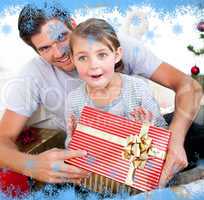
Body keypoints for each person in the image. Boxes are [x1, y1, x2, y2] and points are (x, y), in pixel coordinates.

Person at [0, 3, 202, 187]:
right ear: (36, 51)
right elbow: (3, 139)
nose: (60, 52)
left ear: (73, 24)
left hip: (141, 142)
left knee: (194, 131)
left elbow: (188, 85)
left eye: (61, 37)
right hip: (96, 157)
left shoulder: (108, 43)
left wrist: (174, 141)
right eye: (44, 48)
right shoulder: (33, 77)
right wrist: (31, 164)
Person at [64, 18, 167, 148]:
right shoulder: (74, 100)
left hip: (137, 163)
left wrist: (147, 128)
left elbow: (163, 133)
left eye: (102, 55)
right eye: (82, 58)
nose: (93, 65)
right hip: (100, 165)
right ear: (73, 60)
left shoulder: (137, 89)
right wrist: (74, 139)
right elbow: (71, 147)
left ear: (117, 55)